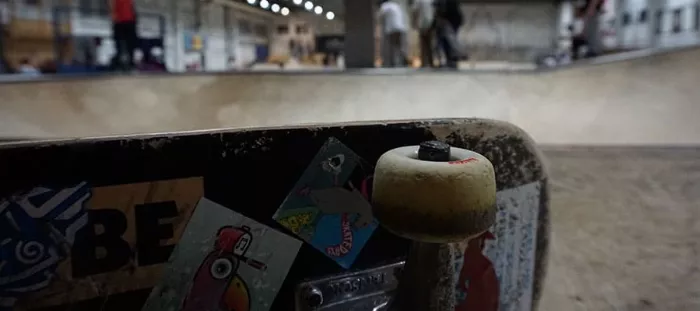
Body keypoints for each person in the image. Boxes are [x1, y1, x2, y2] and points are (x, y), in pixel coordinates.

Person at [109, 0, 139, 71]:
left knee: (130, 44)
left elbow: (132, 6)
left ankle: (130, 64)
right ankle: (120, 64)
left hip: (129, 21)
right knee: (119, 45)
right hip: (120, 21)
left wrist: (134, 18)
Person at [378, 0, 409, 67]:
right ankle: (402, 60)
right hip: (400, 27)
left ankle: (392, 62)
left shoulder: (385, 6)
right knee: (398, 45)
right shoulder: (396, 5)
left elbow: (380, 16)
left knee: (391, 46)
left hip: (391, 28)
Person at [433, 0, 463, 68]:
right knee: (446, 42)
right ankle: (450, 60)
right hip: (449, 21)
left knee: (449, 42)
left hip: (450, 21)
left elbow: (446, 9)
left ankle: (452, 60)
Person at [412, 0, 435, 67]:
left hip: (422, 23)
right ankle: (431, 62)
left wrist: (414, 22)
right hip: (431, 22)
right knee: (430, 44)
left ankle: (424, 62)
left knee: (423, 44)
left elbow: (414, 11)